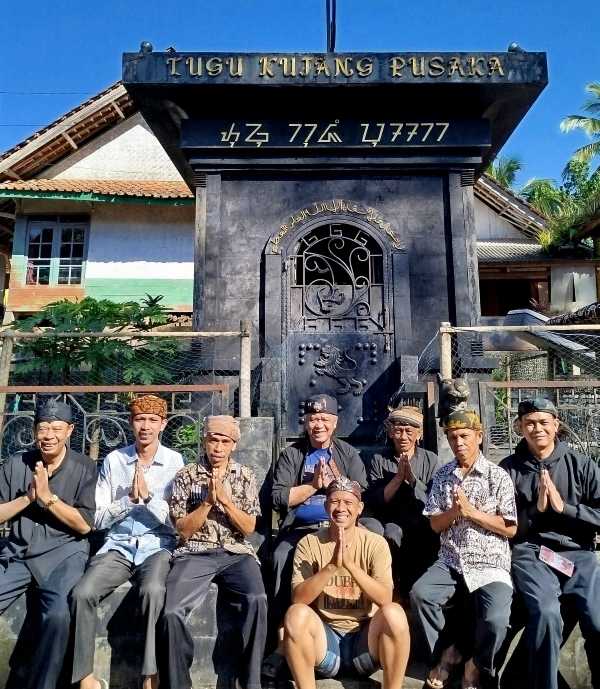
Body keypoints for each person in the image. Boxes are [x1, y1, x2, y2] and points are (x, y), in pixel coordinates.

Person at [70, 394, 184, 689]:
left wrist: (149, 498)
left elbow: (178, 521)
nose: (145, 426)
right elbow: (97, 519)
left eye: (152, 420)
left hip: (157, 545)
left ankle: (150, 675)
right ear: (131, 423)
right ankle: (85, 678)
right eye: (139, 420)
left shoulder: (174, 462)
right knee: (82, 593)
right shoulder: (115, 460)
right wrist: (127, 501)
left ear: (163, 424)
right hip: (118, 545)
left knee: (153, 590)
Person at [264, 393, 371, 677]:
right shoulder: (292, 454)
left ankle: (368, 626)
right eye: (313, 419)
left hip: (342, 526)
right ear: (306, 423)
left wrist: (338, 483)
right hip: (302, 529)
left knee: (376, 543)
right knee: (280, 556)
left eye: (324, 419)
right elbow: (279, 497)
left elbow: (362, 492)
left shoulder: (347, 454)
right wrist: (313, 486)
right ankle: (282, 639)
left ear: (335, 423)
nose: (318, 425)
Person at [410, 409, 517, 689]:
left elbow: (510, 528)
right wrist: (455, 512)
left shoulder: (498, 476)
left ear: (478, 437)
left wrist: (471, 512)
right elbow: (435, 524)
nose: (458, 442)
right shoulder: (443, 475)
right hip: (451, 559)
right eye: (453, 437)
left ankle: (477, 664)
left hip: (490, 562)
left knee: (496, 619)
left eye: (464, 436)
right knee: (421, 595)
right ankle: (446, 654)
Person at [500, 398, 600, 689]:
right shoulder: (509, 469)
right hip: (532, 552)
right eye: (529, 423)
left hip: (578, 552)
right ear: (520, 428)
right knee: (546, 614)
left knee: (596, 620)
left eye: (544, 422)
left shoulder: (581, 464)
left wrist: (564, 508)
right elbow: (506, 526)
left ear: (556, 425)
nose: (537, 429)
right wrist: (536, 510)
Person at [161, 415, 267, 689]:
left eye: (224, 442)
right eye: (213, 440)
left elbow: (249, 528)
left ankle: (251, 682)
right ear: (204, 441)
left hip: (235, 551)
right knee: (172, 611)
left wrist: (227, 503)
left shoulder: (245, 475)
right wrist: (207, 502)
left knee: (257, 599)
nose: (218, 448)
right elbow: (183, 530)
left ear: (234, 445)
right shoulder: (186, 475)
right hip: (195, 552)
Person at [0, 399, 96, 689]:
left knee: (57, 616)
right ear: (34, 431)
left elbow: (84, 525)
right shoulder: (16, 463)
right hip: (18, 553)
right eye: (43, 428)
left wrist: (48, 499)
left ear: (70, 431)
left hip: (64, 554)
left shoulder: (84, 467)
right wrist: (28, 498)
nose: (49, 435)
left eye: (56, 428)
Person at [283, 476, 410, 689]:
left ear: (359, 508)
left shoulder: (375, 543)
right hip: (326, 643)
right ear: (326, 506)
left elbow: (385, 598)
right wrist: (331, 566)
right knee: (295, 614)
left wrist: (350, 565)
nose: (341, 508)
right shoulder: (309, 543)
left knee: (395, 613)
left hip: (365, 643)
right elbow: (298, 599)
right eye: (335, 501)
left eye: (348, 502)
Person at [365, 405, 441, 596]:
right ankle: (392, 588)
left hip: (421, 517)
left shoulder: (430, 459)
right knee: (392, 532)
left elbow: (433, 499)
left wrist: (413, 480)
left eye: (409, 431)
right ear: (391, 433)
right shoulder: (378, 459)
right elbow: (375, 500)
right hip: (389, 517)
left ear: (418, 434)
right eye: (398, 431)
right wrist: (398, 478)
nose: (403, 437)